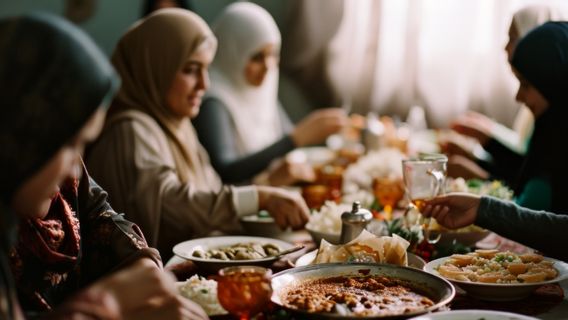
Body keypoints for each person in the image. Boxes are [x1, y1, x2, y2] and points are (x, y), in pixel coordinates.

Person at [0, 13, 207, 320]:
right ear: (24, 133)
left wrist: (143, 270)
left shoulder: (70, 174)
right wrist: (103, 305)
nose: (75, 168)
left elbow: (101, 217)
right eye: (69, 144)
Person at [86, 8, 310, 260]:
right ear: (156, 68)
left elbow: (211, 191)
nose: (205, 84)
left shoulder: (176, 124)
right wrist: (260, 197)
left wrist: (268, 192)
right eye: (191, 70)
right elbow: (173, 203)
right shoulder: (132, 129)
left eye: (206, 69)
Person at [422, 21, 568, 261]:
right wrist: (482, 208)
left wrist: (483, 204)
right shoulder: (553, 129)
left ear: (551, 78)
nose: (518, 96)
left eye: (526, 84)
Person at [192, 2, 348, 186]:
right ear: (232, 53)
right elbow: (226, 170)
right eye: (257, 57)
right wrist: (296, 138)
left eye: (273, 54)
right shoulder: (213, 101)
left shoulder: (259, 89)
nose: (268, 66)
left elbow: (285, 140)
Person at [446, 5, 568, 182]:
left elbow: (527, 184)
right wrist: (485, 138)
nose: (505, 47)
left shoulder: (546, 103)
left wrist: (478, 166)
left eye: (512, 38)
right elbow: (525, 161)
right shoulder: (542, 101)